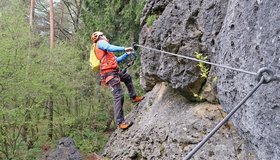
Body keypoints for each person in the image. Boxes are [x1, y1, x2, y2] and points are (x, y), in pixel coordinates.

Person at [90, 31, 144, 130]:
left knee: (127, 77)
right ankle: (120, 122)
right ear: (100, 36)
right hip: (110, 74)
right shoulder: (100, 43)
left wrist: (126, 54)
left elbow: (117, 60)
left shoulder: (105, 51)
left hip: (113, 72)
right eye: (103, 35)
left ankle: (133, 97)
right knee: (118, 95)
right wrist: (124, 48)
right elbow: (110, 47)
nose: (105, 36)